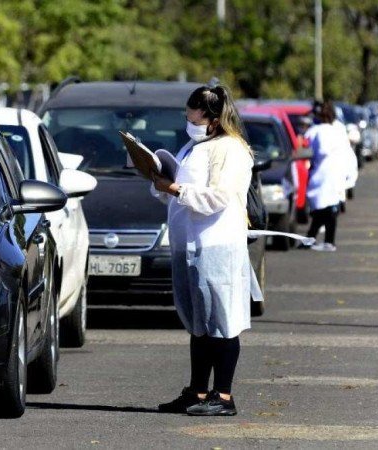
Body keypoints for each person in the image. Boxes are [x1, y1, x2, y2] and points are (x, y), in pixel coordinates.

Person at [152, 85, 262, 416]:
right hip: (189, 245)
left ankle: (224, 396)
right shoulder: (196, 145)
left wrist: (173, 187)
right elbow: (182, 188)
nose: (187, 117)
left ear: (210, 115)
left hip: (217, 246)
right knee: (198, 323)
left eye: (191, 111)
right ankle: (198, 391)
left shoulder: (231, 149)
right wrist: (161, 181)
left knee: (221, 321)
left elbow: (218, 197)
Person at [299, 101, 345, 252]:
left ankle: (328, 241)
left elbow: (316, 149)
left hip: (323, 171)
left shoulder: (318, 130)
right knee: (324, 207)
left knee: (326, 207)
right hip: (335, 171)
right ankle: (312, 239)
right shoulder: (338, 130)